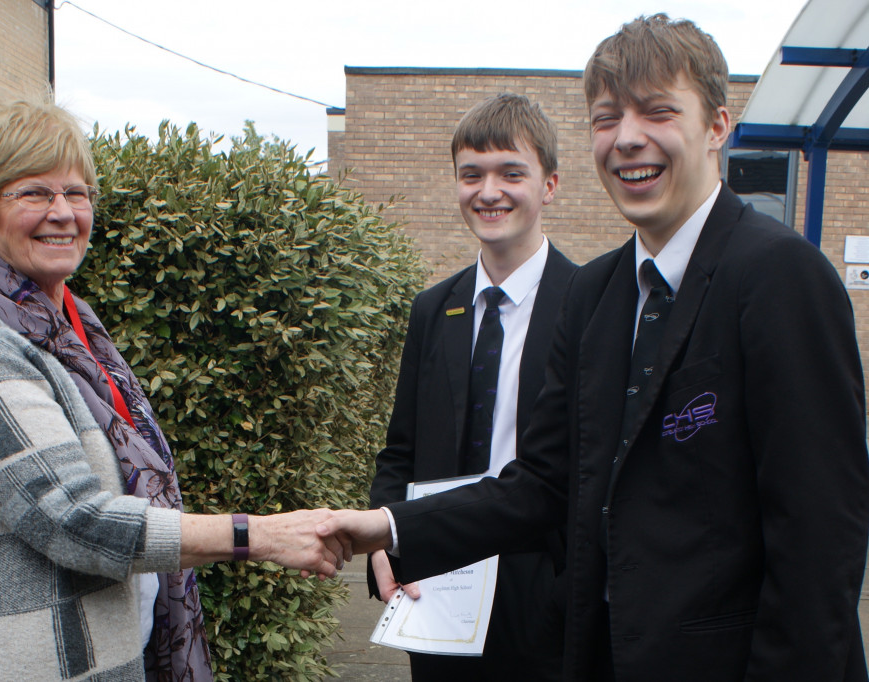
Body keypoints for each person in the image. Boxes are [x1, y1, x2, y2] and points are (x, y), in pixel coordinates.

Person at [321, 14, 869, 681]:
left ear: (716, 127)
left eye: (658, 112)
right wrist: (387, 527)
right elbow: (546, 483)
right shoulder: (596, 293)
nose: (627, 139)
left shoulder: (780, 275)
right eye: (606, 119)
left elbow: (818, 539)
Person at [0, 100, 344, 681]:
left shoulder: (71, 324)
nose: (62, 213)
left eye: (77, 193)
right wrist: (258, 535)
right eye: (33, 193)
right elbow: (72, 519)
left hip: (114, 656)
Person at [367, 92, 575, 680]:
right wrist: (384, 540)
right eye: (471, 174)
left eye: (512, 173)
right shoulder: (434, 309)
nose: (489, 192)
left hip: (543, 590)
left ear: (550, 184)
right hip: (438, 584)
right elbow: (400, 450)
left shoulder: (589, 305)